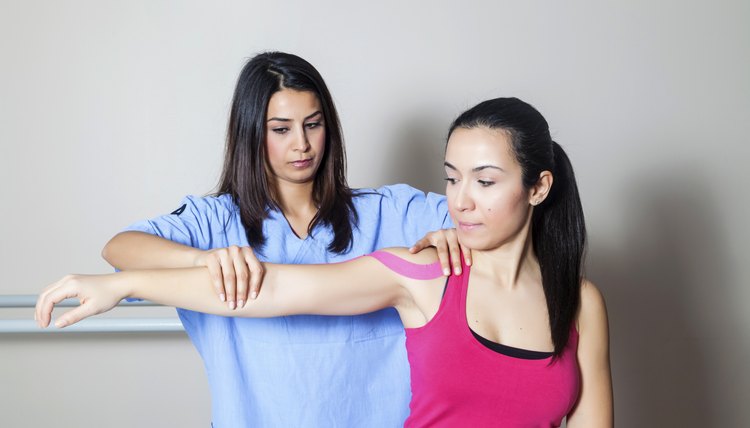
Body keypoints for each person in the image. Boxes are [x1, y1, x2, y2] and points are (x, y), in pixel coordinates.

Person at [37, 97, 613, 427]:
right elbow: (268, 291)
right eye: (451, 179)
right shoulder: (419, 275)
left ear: (539, 188)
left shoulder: (580, 303)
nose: (460, 200)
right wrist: (124, 285)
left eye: (484, 181)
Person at [94, 51, 465, 427]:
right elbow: (121, 248)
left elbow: (496, 224)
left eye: (313, 124)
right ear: (252, 132)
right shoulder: (216, 222)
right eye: (281, 129)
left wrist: (456, 234)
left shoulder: (391, 211)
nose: (301, 144)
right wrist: (201, 260)